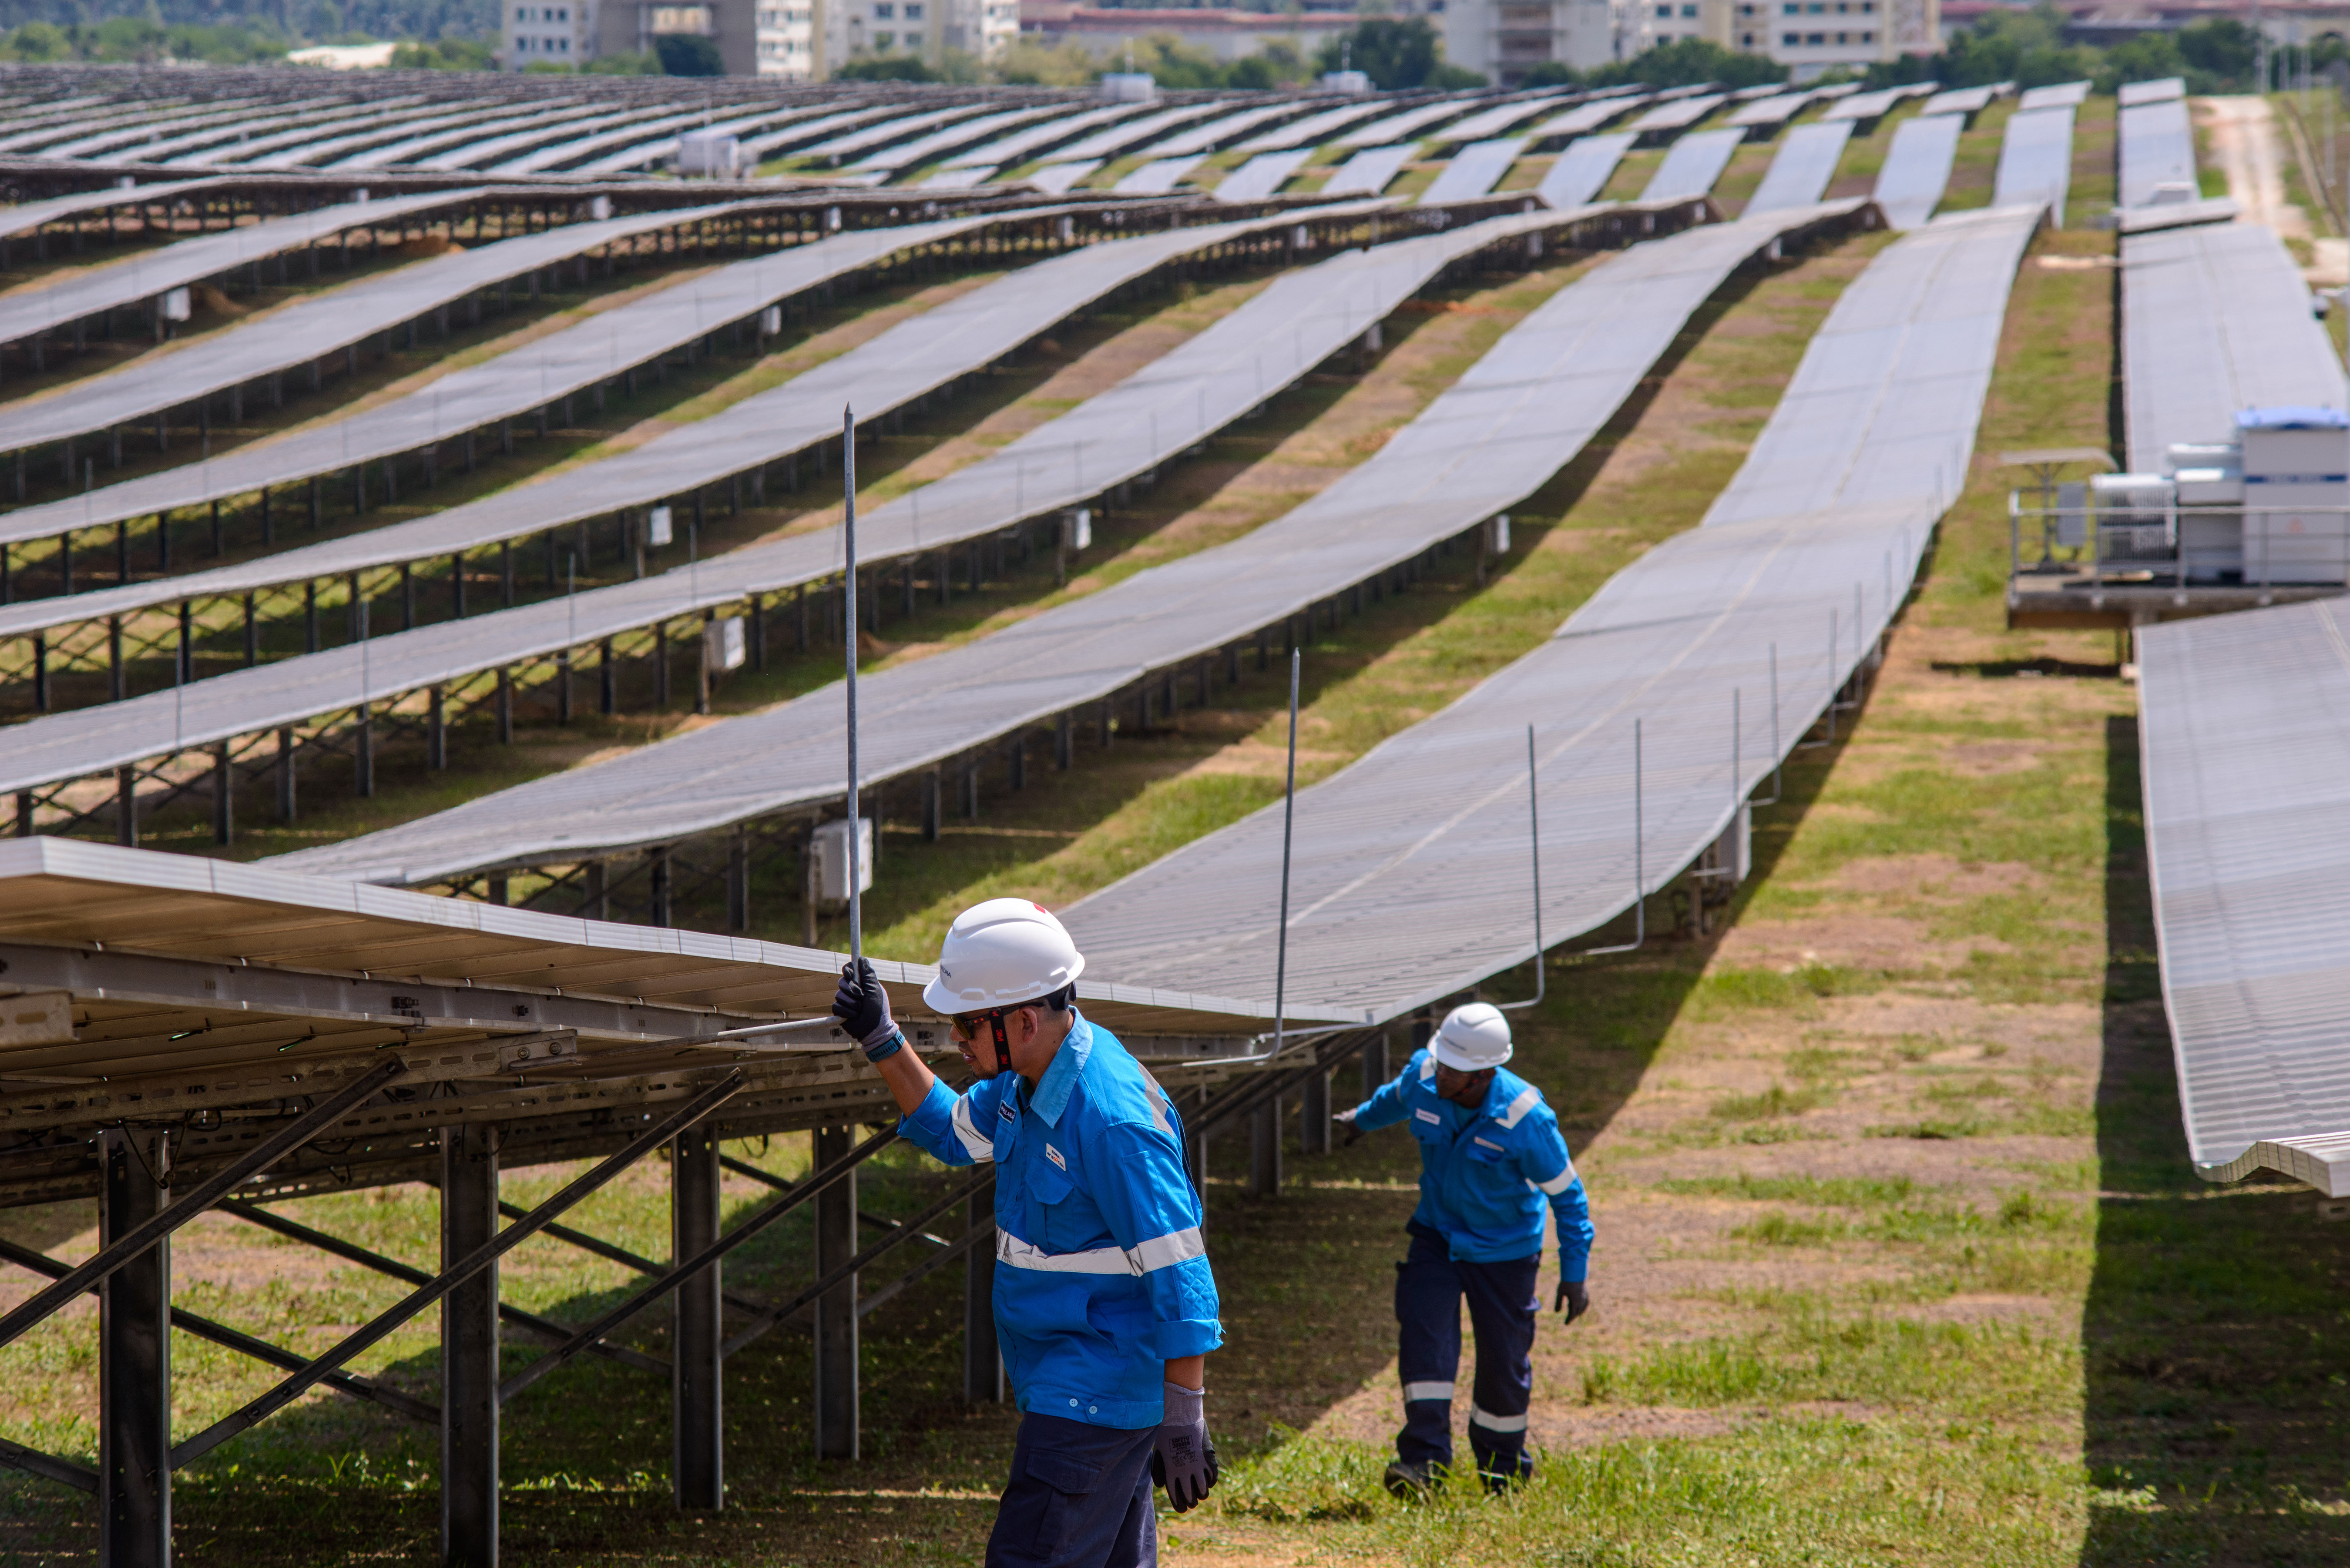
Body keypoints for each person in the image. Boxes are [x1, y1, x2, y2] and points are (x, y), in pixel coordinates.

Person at [832, 897, 1222, 1568]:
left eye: (965, 1024)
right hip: (1087, 1387)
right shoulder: (1030, 1078)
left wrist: (1185, 1416)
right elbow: (955, 1131)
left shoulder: (1109, 1118)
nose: (956, 1039)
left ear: (1022, 1018)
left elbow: (1182, 1272)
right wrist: (881, 1039)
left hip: (1092, 1398)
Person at [1335, 1001, 1593, 1497]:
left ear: (1481, 1075)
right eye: (1441, 1061)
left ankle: (1502, 1470)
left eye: (1453, 1069)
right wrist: (1360, 1121)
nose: (1440, 1073)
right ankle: (1424, 1464)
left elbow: (1568, 1196)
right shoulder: (1428, 1075)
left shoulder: (1526, 1119)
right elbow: (1397, 1097)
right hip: (1437, 1237)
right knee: (1424, 1339)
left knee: (1504, 1361)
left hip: (1505, 1254)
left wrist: (1574, 1272)